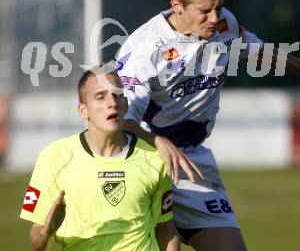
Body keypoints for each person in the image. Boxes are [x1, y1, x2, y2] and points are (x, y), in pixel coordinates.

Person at [116, 0, 300, 250]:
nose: (213, 17)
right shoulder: (143, 50)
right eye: (204, 10)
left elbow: (253, 51)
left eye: (217, 6)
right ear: (176, 4)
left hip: (192, 160)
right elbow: (123, 121)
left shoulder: (223, 23)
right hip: (143, 159)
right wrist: (157, 142)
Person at [20, 63, 180, 251]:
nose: (112, 103)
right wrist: (45, 234)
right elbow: (36, 240)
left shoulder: (154, 159)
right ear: (83, 110)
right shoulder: (55, 156)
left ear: (126, 104)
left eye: (117, 95)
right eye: (100, 97)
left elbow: (166, 230)